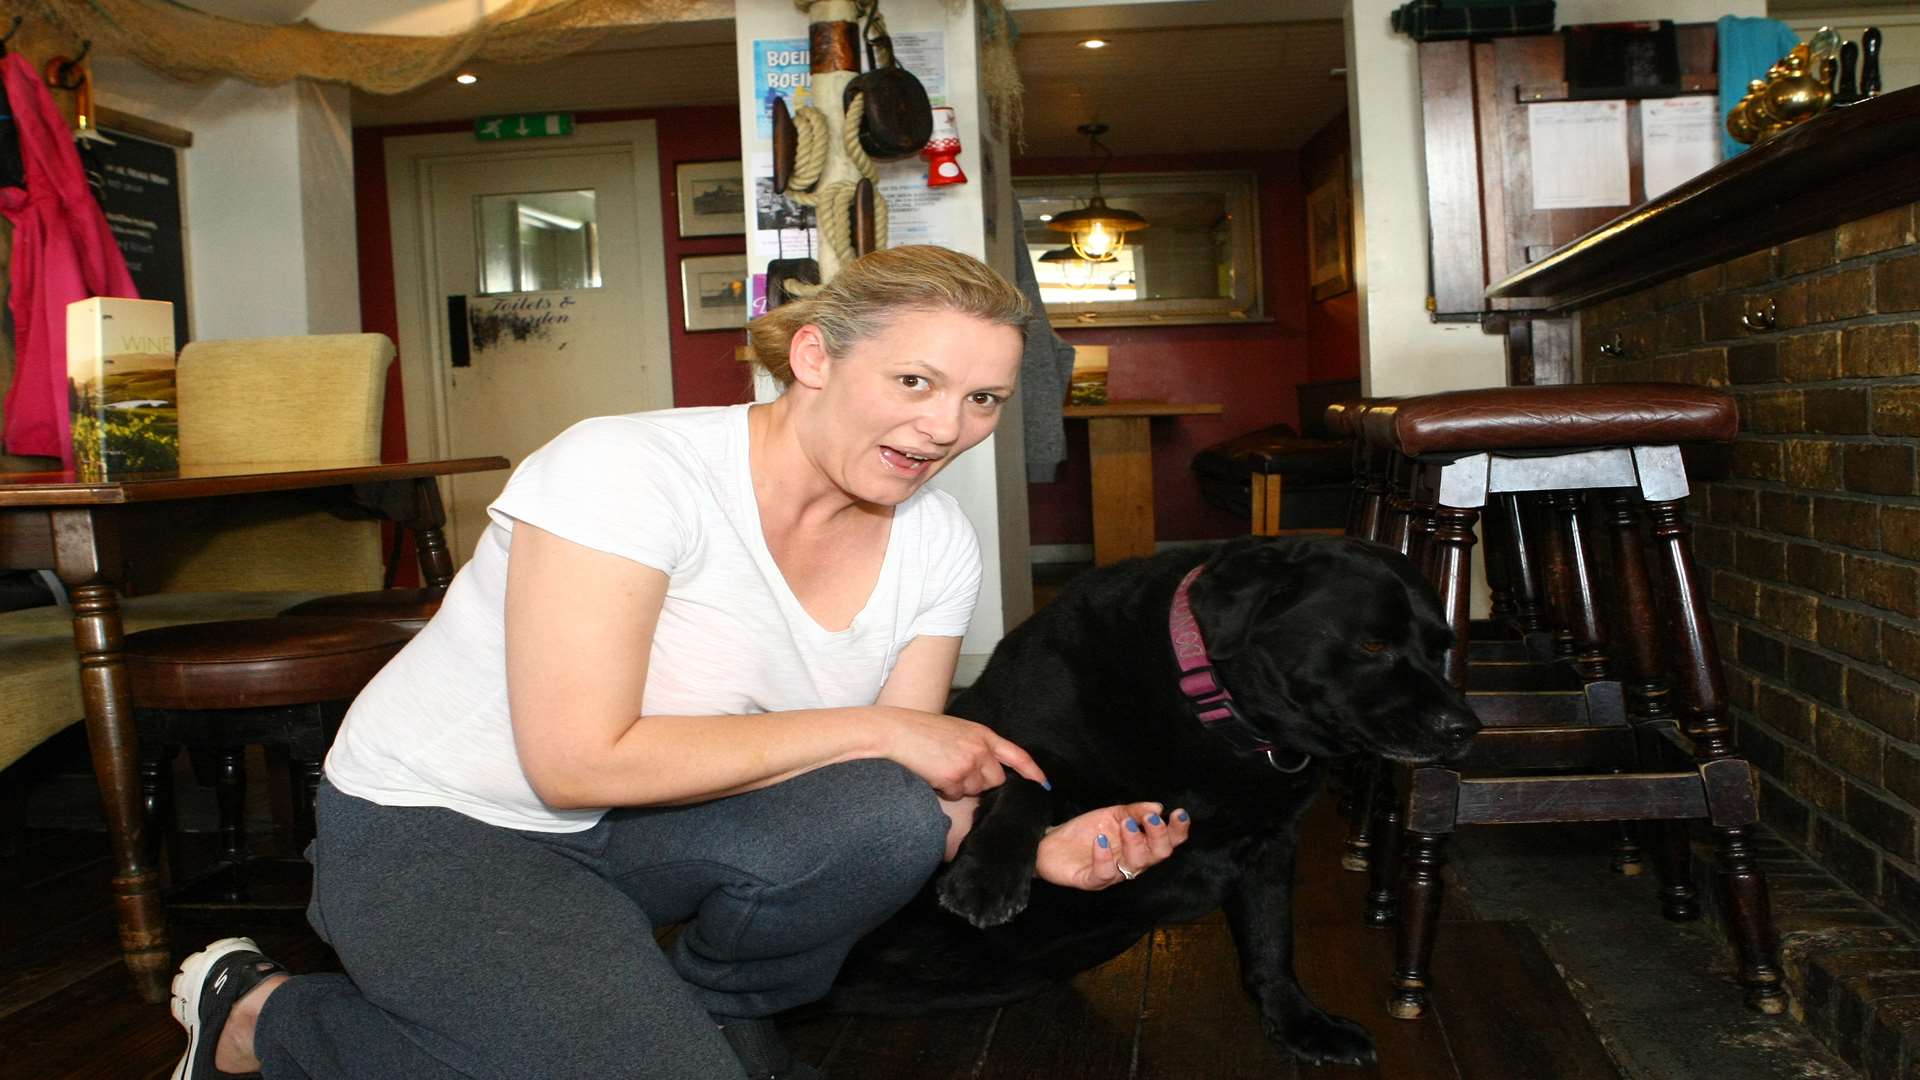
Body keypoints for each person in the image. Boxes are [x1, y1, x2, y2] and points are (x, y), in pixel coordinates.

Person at [169, 245, 1192, 1080]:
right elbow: (578, 762)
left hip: (649, 835)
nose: (944, 429)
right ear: (815, 358)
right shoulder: (627, 470)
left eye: (982, 399)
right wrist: (885, 729)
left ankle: (701, 1015)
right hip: (439, 828)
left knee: (886, 811)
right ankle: (270, 1018)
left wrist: (1031, 854)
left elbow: (902, 786)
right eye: (915, 381)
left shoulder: (935, 541)